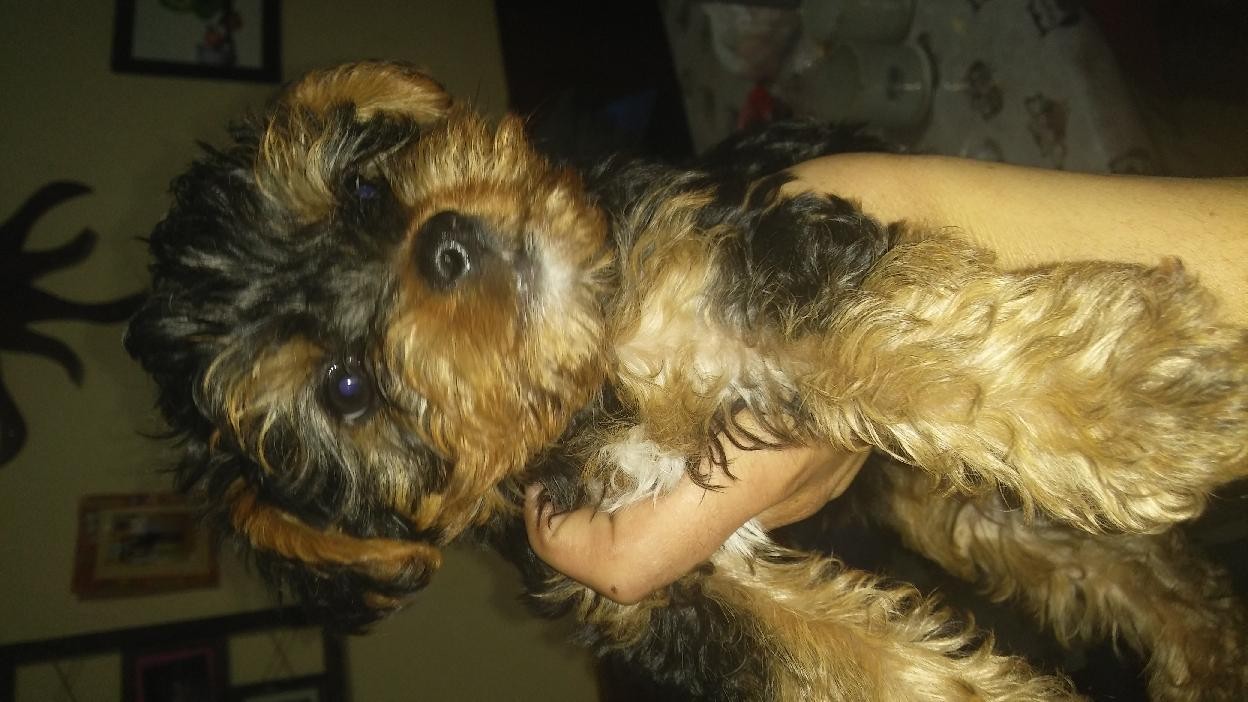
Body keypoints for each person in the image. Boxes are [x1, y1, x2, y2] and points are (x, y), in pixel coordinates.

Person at [525, 152, 1248, 604]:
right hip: (876, 466)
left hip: (870, 319)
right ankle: (1172, 609)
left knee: (976, 431)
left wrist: (896, 210)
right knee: (965, 525)